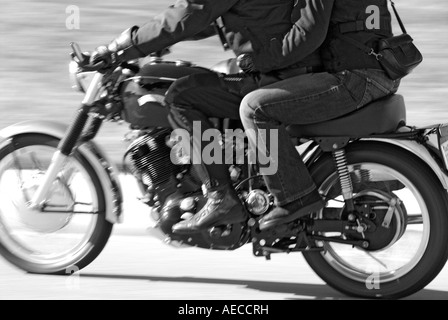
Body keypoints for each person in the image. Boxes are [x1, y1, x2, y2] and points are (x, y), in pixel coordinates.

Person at [91, 0, 328, 234]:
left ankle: (221, 196)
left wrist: (119, 48)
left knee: (181, 96)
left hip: (275, 72)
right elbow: (225, 14)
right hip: (287, 67)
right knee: (218, 75)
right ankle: (241, 174)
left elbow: (192, 11)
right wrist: (154, 39)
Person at [240, 0, 402, 231]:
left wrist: (260, 62)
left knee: (254, 108)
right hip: (383, 73)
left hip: (354, 78)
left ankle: (294, 197)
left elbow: (309, 34)